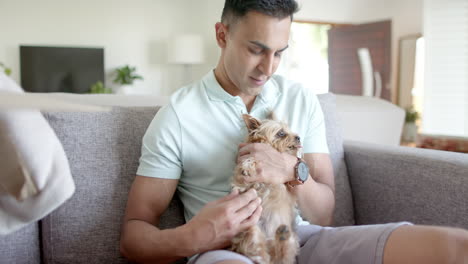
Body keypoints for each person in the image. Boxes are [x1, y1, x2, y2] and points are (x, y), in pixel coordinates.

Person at [120, 0, 468, 263]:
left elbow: (324, 213)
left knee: (453, 247)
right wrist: (194, 237)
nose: (267, 68)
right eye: (256, 50)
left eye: (279, 53)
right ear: (222, 35)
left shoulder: (300, 98)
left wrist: (291, 170)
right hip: (225, 251)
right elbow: (133, 235)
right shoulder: (178, 115)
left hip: (299, 237)